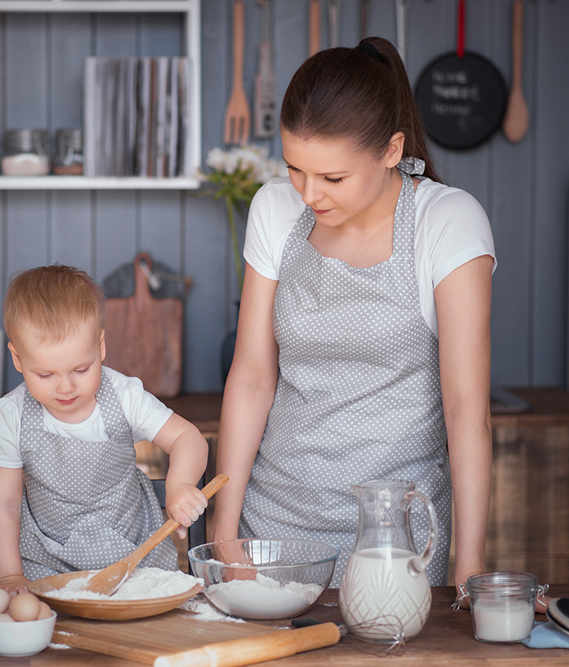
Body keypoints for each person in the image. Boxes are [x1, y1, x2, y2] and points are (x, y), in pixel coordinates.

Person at [212, 37, 495, 590]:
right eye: (295, 168)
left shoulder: (448, 222)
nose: (309, 193)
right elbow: (251, 376)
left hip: (396, 542)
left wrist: (470, 566)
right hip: (272, 526)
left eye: (332, 178)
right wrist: (225, 529)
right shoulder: (274, 208)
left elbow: (467, 411)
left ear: (391, 150)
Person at [0, 265, 209, 593]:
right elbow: (3, 505)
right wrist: (9, 577)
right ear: (17, 359)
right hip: (42, 561)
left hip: (131, 555)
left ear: (100, 347)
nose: (65, 387)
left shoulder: (123, 396)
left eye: (81, 369)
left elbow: (188, 438)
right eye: (46, 375)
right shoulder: (10, 415)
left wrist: (180, 484)